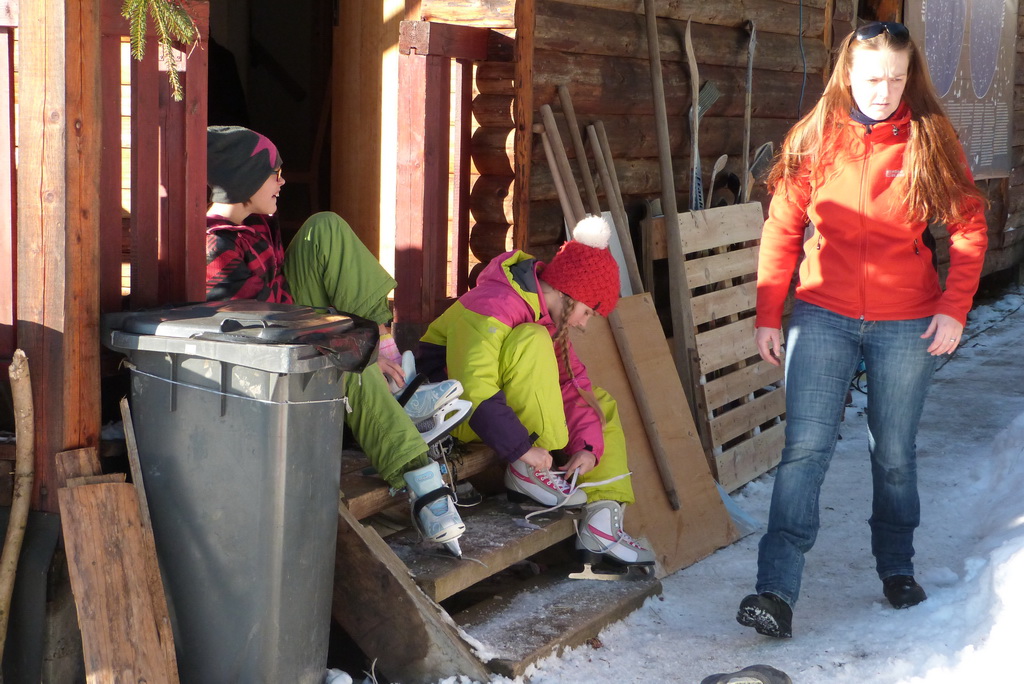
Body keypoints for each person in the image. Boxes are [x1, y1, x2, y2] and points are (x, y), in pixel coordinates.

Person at [737, 21, 988, 638]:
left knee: (893, 452)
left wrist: (954, 306)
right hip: (823, 314)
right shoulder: (815, 137)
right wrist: (769, 312)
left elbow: (968, 226)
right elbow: (782, 229)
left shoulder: (931, 138)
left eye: (897, 79)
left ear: (910, 77)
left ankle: (897, 567)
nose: (884, 91)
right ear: (848, 74)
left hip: (907, 322)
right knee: (805, 449)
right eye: (874, 78)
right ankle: (775, 590)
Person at [205, 125, 470, 556]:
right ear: (244, 177)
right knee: (350, 360)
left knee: (324, 228)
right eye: (274, 172)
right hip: (267, 362)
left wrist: (358, 338)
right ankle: (421, 478)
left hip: (287, 322)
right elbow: (252, 337)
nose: (282, 182)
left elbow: (283, 301)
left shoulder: (255, 224)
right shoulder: (216, 247)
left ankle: (395, 375)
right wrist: (344, 339)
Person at [416, 215, 655, 570]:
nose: (584, 324)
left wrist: (587, 449)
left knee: (598, 402)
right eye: (587, 312)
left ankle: (602, 519)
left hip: (490, 410)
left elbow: (572, 385)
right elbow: (474, 389)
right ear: (569, 294)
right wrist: (523, 450)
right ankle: (527, 472)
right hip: (450, 412)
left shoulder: (543, 314)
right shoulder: (493, 305)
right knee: (532, 340)